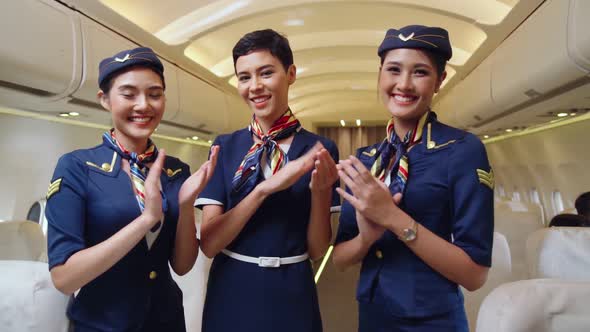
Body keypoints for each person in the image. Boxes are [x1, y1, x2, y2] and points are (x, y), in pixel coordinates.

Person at [332, 25, 494, 331]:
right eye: (393, 70)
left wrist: (393, 217)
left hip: (431, 320)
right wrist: (368, 237)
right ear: (380, 74)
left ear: (439, 81)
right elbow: (340, 259)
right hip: (372, 314)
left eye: (419, 72)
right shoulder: (368, 159)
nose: (403, 84)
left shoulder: (462, 151)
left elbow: (475, 276)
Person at [45, 47, 218, 332]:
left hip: (167, 322)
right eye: (128, 94)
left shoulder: (175, 171)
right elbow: (64, 278)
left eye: (154, 94)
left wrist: (186, 205)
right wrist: (146, 220)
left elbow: (183, 266)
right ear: (105, 100)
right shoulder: (77, 167)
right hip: (101, 325)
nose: (144, 105)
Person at [195, 29, 339, 332]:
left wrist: (321, 193)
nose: (255, 87)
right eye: (244, 77)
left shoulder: (319, 151)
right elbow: (209, 243)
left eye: (266, 73)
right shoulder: (225, 147)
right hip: (232, 287)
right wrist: (263, 189)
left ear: (290, 74)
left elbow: (316, 249)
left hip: (293, 288)